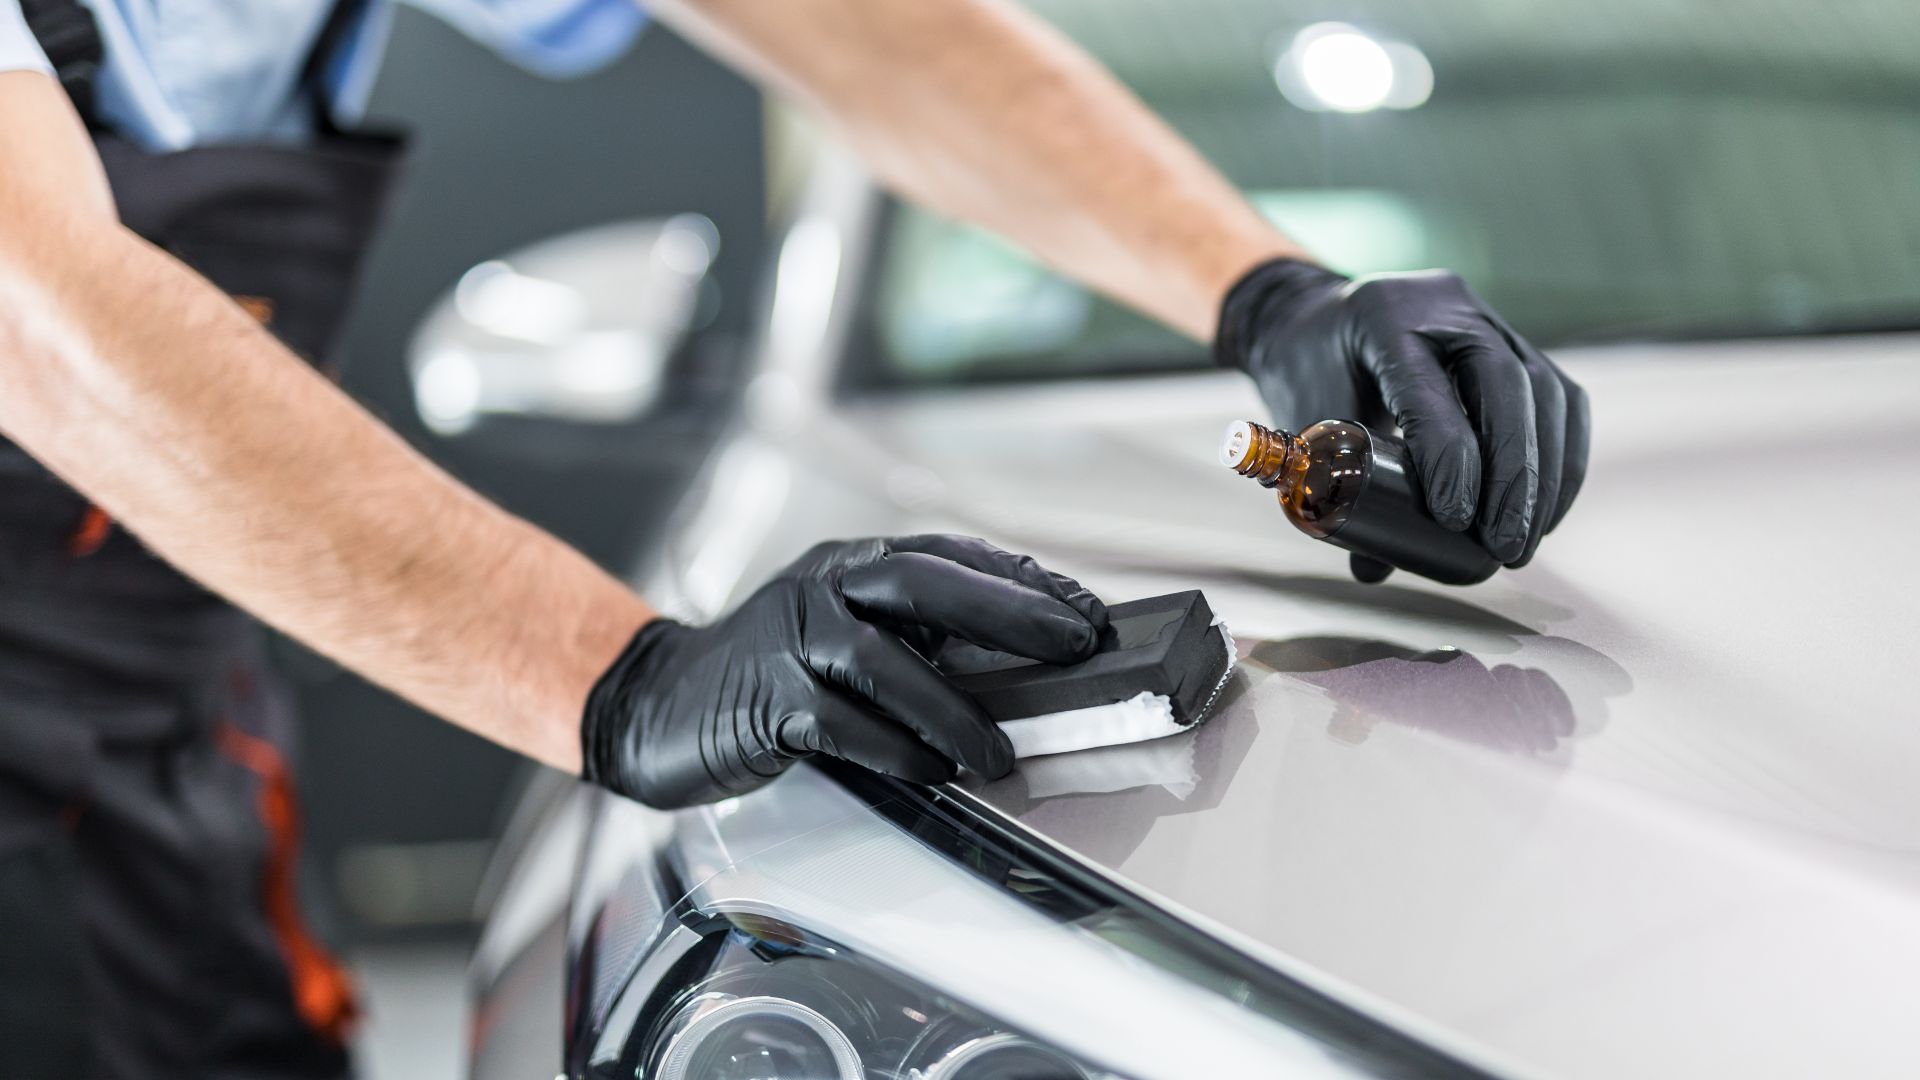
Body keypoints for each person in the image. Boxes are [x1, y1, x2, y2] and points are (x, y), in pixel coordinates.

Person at [0, 0, 1591, 1074]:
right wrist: (618, 676)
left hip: (161, 719)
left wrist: (1265, 291)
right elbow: (34, 304)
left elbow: (865, 31)